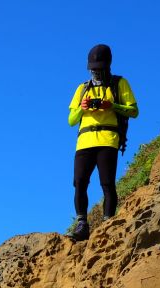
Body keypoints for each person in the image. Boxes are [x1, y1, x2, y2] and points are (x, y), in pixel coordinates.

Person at [68, 44, 139, 241]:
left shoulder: (119, 83)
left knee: (107, 184)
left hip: (108, 140)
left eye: (99, 69)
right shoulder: (82, 89)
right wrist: (82, 108)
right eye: (93, 69)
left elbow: (134, 111)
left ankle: (108, 223)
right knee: (79, 183)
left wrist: (111, 105)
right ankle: (82, 223)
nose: (96, 73)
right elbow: (71, 120)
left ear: (107, 67)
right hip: (84, 141)